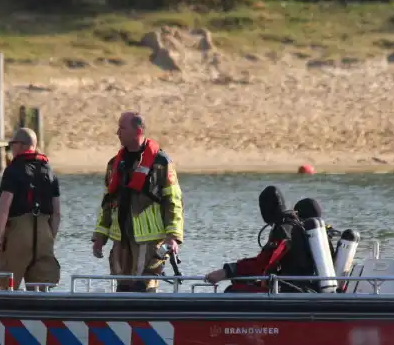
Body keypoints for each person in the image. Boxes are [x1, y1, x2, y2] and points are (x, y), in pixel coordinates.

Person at [92, 111, 184, 293]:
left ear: (138, 131)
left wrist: (173, 236)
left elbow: (173, 201)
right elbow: (107, 203)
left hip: (149, 242)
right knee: (122, 290)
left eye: (122, 128)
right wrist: (99, 236)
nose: (117, 132)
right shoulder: (114, 165)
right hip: (121, 241)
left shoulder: (161, 163)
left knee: (145, 290)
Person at [204, 186, 322, 293]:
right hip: (295, 286)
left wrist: (227, 271)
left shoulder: (284, 230)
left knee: (232, 291)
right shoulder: (292, 225)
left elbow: (263, 264)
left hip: (293, 289)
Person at [0, 127, 62, 291]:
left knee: (3, 287)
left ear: (20, 145)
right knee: (41, 290)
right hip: (44, 234)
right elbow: (56, 213)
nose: (11, 149)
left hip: (18, 235)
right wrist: (49, 239)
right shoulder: (50, 172)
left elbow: (4, 208)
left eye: (13, 144)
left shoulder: (13, 171)